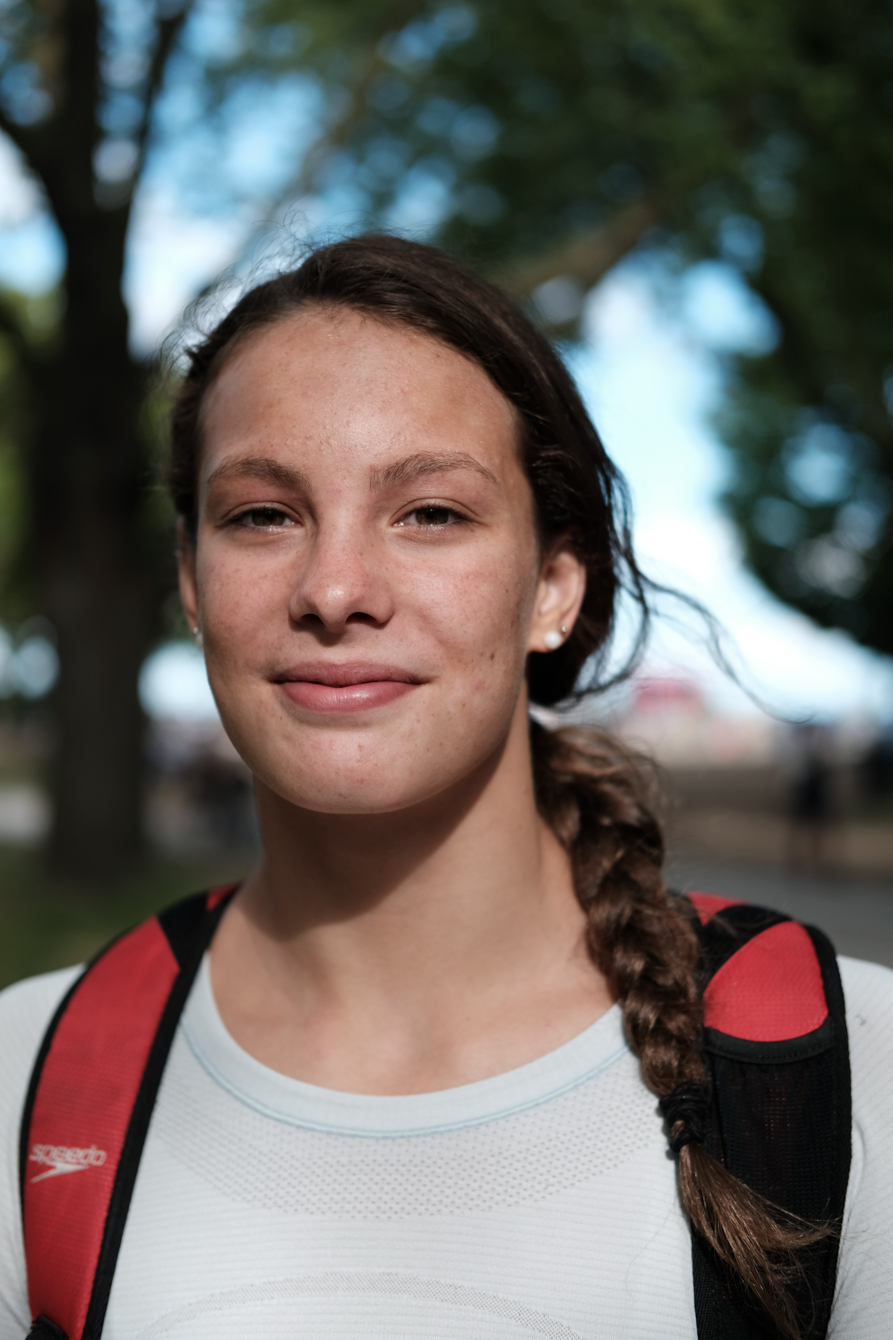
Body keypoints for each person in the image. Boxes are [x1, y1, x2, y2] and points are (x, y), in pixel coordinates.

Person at [1, 235, 892, 1340]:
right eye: (262, 515)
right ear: (190, 580)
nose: (333, 587)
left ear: (553, 587)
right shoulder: (28, 1082)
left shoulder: (853, 1069)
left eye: (429, 512)